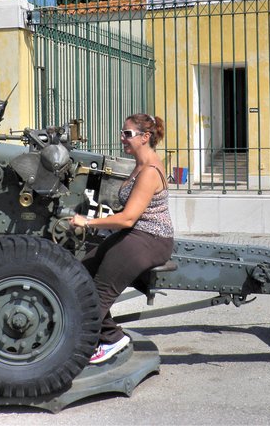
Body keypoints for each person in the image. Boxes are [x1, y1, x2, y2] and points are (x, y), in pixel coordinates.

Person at [70, 113, 174, 364]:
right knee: (77, 275)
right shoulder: (138, 164)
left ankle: (108, 340)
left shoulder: (149, 170)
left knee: (97, 293)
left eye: (127, 134)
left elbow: (128, 218)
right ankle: (106, 336)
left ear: (145, 137)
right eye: (123, 132)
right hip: (134, 234)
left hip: (150, 239)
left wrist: (88, 223)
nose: (122, 138)